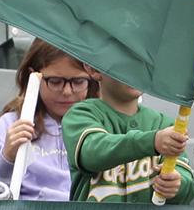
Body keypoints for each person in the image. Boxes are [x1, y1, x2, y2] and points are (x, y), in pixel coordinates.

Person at [0, 41, 94, 202]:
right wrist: (7, 159)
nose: (67, 91)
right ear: (34, 77)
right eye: (55, 81)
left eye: (78, 82)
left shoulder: (102, 126)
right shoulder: (10, 125)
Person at [65, 75, 185, 203]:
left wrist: (177, 184)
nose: (136, 71)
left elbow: (187, 185)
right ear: (93, 69)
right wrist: (151, 141)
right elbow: (91, 154)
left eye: (144, 63)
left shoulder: (164, 124)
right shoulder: (80, 114)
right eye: (127, 61)